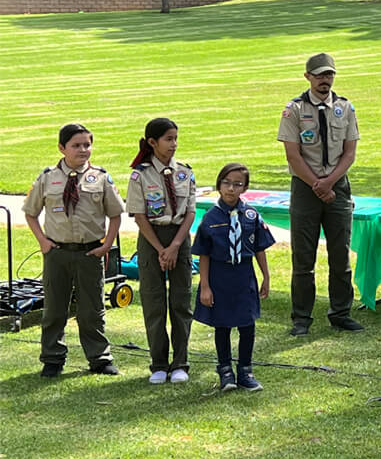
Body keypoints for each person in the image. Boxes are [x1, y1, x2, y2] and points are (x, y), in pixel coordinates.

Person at [23, 123, 123, 378]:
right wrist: (43, 243)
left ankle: (99, 357)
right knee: (55, 307)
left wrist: (106, 245)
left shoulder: (100, 177)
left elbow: (115, 215)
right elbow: (31, 213)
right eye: (76, 145)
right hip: (57, 253)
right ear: (61, 148)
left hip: (90, 252)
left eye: (87, 145)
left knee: (92, 308)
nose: (83, 150)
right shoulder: (47, 178)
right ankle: (53, 358)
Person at [277, 52, 362, 336]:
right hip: (305, 186)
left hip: (337, 185)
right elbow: (293, 154)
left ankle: (340, 313)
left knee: (340, 254)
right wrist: (317, 183)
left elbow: (349, 153)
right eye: (319, 75)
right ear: (307, 77)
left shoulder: (345, 108)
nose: (325, 80)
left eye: (329, 75)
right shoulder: (295, 110)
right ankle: (301, 317)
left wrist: (329, 183)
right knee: (304, 257)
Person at [126, 117, 196, 385]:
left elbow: (190, 212)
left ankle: (180, 363)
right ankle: (158, 363)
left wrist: (175, 246)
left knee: (181, 301)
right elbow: (139, 216)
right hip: (151, 238)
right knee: (154, 302)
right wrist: (160, 249)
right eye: (169, 139)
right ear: (152, 142)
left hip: (179, 237)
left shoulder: (185, 171)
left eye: (176, 138)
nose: (174, 144)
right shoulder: (140, 175)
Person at [193, 163, 275, 392]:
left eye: (237, 184)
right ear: (219, 185)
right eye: (226, 183)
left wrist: (266, 277)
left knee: (247, 324)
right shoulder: (210, 217)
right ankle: (225, 370)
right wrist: (205, 286)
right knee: (222, 325)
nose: (231, 189)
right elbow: (204, 254)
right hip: (220, 275)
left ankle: (246, 370)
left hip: (244, 274)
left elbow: (260, 248)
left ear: (245, 188)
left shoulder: (250, 215)